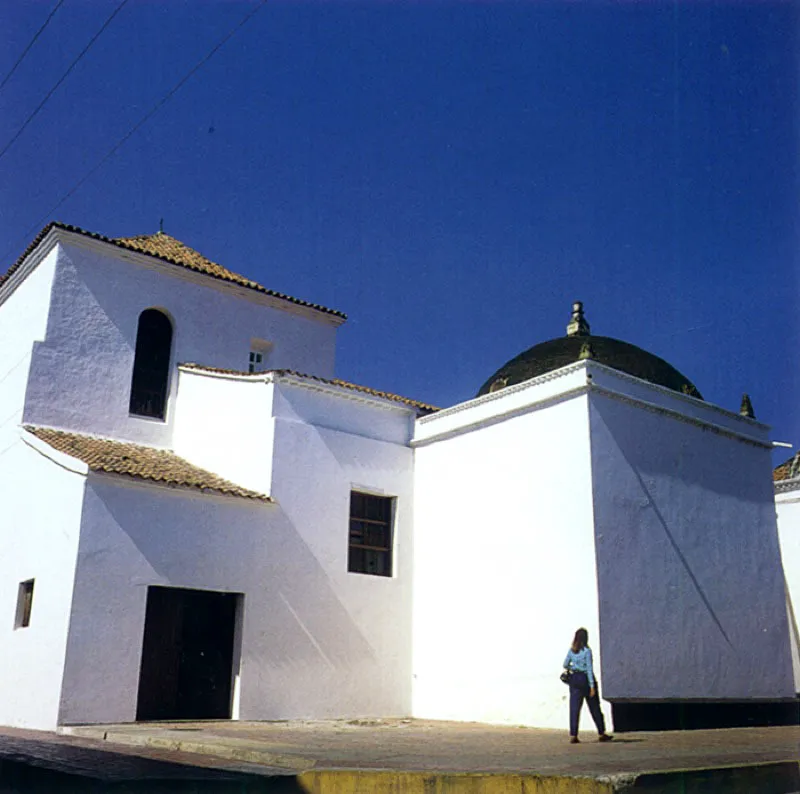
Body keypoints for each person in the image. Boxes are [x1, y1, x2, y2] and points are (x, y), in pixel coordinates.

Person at [563, 627, 612, 743]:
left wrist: (574, 668)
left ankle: (573, 735)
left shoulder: (572, 651)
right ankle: (601, 732)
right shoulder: (587, 651)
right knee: (594, 707)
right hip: (585, 679)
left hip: (575, 680)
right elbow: (589, 669)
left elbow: (565, 664)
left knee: (574, 708)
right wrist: (592, 686)